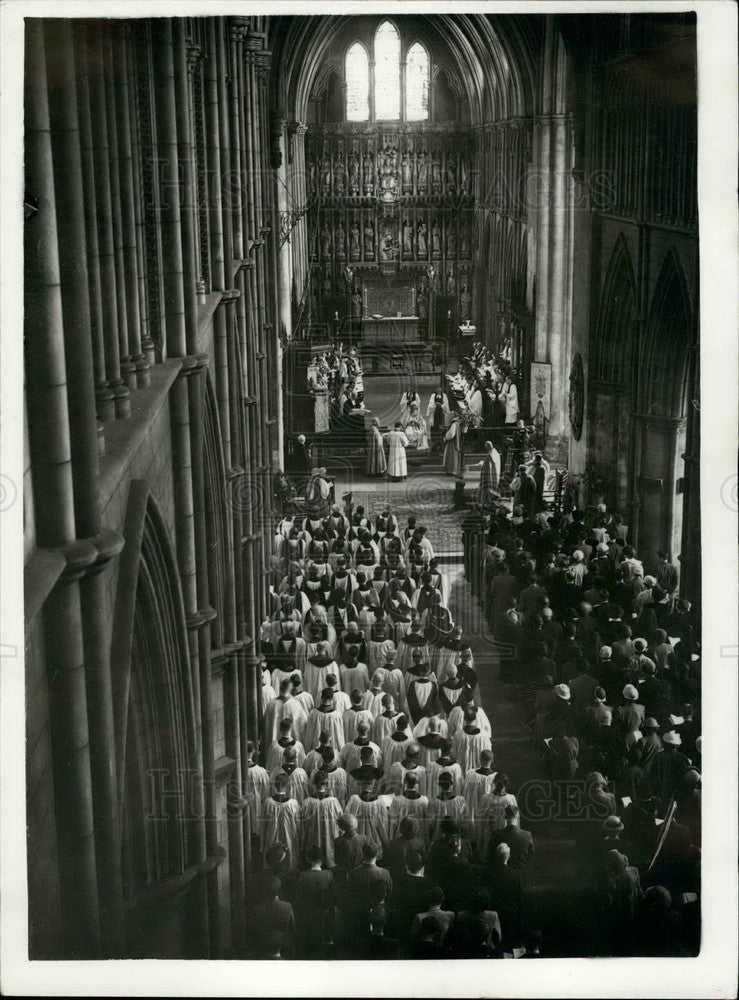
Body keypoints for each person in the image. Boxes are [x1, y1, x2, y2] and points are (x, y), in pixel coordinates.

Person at [443, 412, 464, 477]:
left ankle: (451, 471)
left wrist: (446, 438)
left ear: (453, 416)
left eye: (450, 415)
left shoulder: (454, 424)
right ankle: (453, 471)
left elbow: (451, 434)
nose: (449, 416)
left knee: (451, 457)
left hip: (452, 443)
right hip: (455, 442)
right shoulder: (457, 423)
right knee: (453, 457)